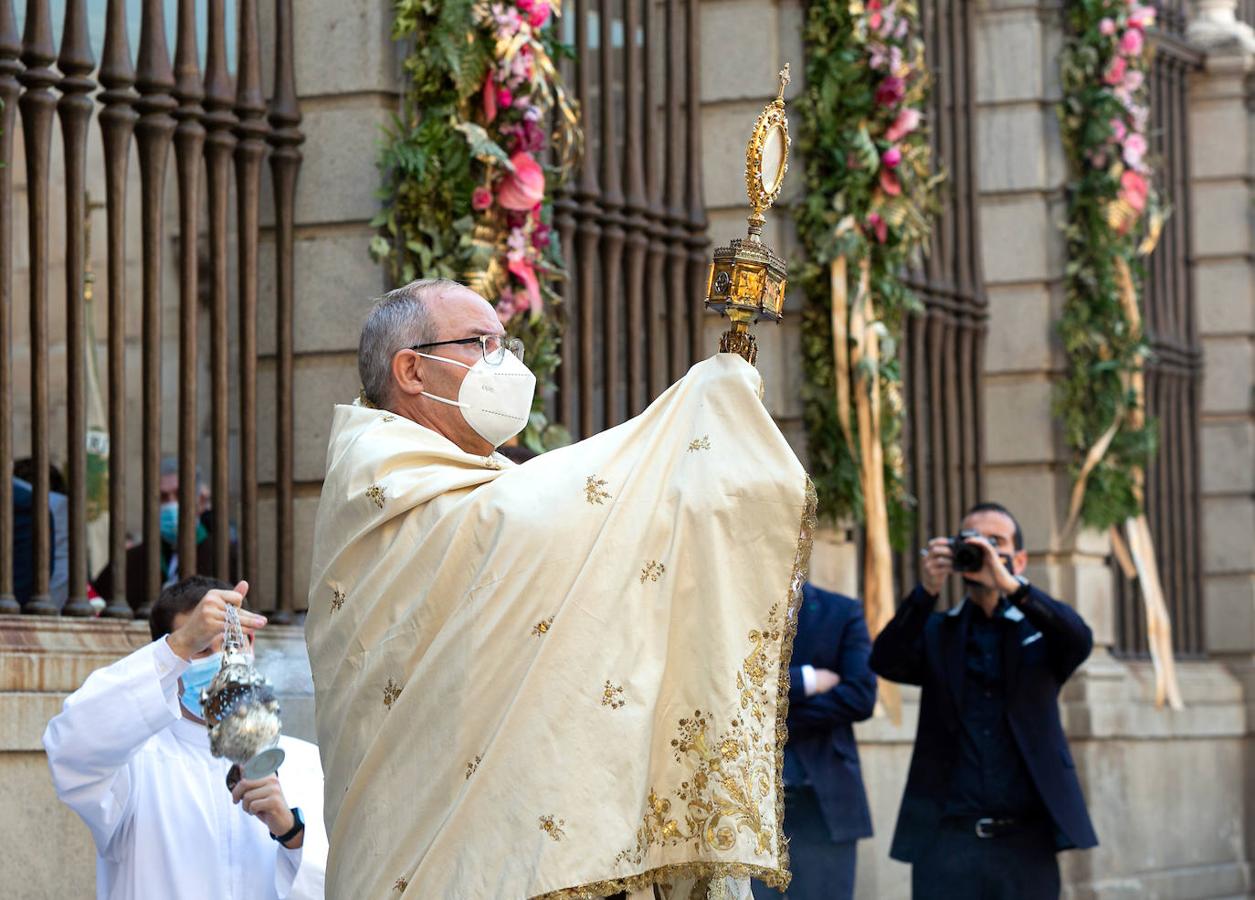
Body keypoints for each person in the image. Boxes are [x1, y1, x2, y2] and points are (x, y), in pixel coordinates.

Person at [305, 278, 813, 898]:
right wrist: (698, 410)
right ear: (411, 369)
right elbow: (531, 519)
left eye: (508, 344)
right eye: (480, 344)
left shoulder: (489, 480)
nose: (507, 364)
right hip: (429, 850)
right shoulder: (380, 472)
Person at [43, 575, 327, 900]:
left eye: (234, 642)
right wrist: (181, 643)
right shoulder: (133, 765)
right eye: (202, 647)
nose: (223, 660)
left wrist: (291, 833)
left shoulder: (308, 765)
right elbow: (71, 746)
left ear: (252, 643)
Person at [869, 502, 1098, 900]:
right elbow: (885, 660)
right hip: (945, 843)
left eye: (997, 542)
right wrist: (926, 592)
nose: (985, 550)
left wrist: (1011, 586)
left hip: (1026, 843)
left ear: (1020, 559)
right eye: (974, 541)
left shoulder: (1039, 631)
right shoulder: (940, 631)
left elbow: (1079, 638)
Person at [754, 582, 876, 900]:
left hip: (824, 803)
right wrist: (808, 680)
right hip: (750, 812)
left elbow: (860, 696)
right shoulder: (733, 608)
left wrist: (772, 716)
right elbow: (728, 688)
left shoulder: (842, 611)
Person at [92, 458, 237, 610]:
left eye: (179, 494)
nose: (171, 504)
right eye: (162, 497)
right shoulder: (127, 563)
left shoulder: (226, 558)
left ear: (199, 501)